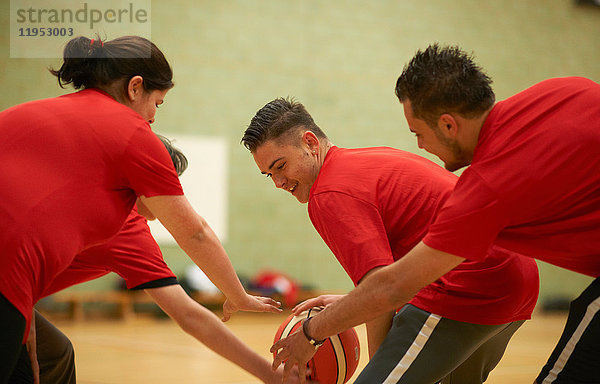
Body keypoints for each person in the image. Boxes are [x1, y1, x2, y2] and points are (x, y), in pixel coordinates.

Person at [269, 45, 600, 384]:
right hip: (516, 285)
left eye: (419, 133)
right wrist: (354, 303)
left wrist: (311, 332)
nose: (420, 145)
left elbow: (387, 290)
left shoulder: (483, 187)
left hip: (472, 287)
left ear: (448, 125)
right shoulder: (565, 89)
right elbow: (396, 281)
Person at [0, 35, 279, 383]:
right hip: (6, 276)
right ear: (135, 88)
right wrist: (238, 296)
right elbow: (195, 236)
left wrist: (23, 311)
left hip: (13, 278)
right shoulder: (131, 146)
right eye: (158, 104)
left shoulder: (48, 111)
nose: (151, 119)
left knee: (55, 353)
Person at [241, 98, 539, 383]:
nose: (279, 183)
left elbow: (381, 295)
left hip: (474, 281)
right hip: (516, 274)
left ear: (310, 143)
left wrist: (313, 335)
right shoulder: (361, 162)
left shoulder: (328, 194)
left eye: (280, 166)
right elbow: (390, 282)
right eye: (269, 175)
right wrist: (353, 302)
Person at [10, 136, 294, 384]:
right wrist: (268, 373)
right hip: (8, 294)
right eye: (168, 180)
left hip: (14, 288)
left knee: (56, 353)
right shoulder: (126, 229)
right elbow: (190, 315)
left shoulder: (86, 184)